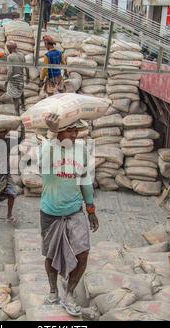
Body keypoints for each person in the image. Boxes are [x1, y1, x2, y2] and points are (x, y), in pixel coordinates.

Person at [38, 113, 99, 316]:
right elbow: (44, 165)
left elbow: (85, 180)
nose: (74, 134)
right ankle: (53, 290)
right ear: (60, 131)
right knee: (51, 255)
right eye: (70, 130)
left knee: (83, 254)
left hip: (75, 211)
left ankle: (70, 292)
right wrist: (53, 133)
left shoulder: (80, 150)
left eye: (76, 130)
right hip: (50, 212)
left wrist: (90, 209)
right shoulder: (46, 148)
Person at [5, 41, 30, 116]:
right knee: (21, 91)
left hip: (14, 80)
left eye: (7, 48)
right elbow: (27, 67)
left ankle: (17, 115)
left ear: (9, 48)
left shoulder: (10, 57)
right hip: (21, 78)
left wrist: (6, 81)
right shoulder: (22, 55)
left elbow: (10, 71)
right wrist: (28, 77)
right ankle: (23, 106)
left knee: (15, 98)